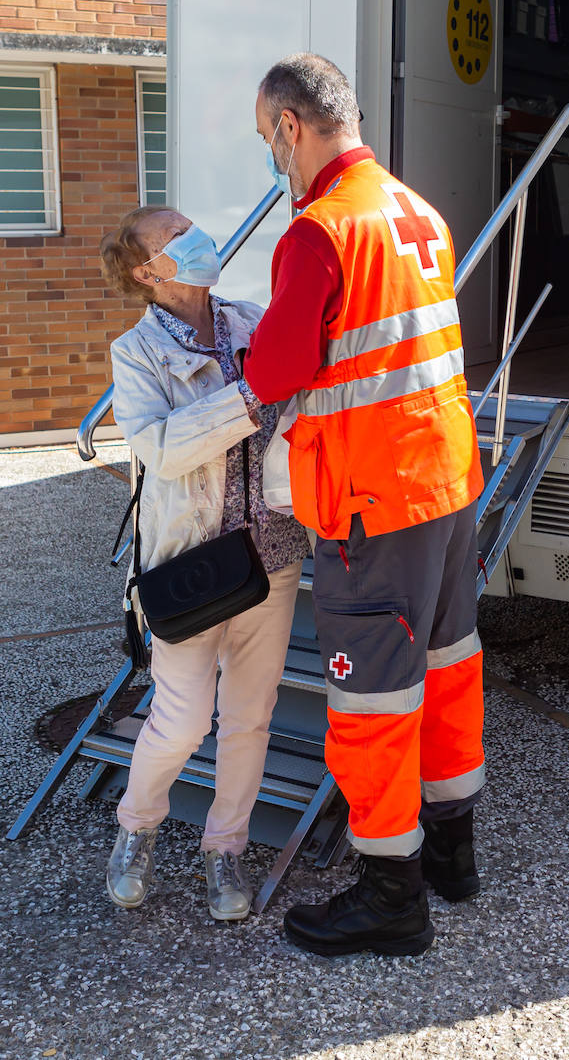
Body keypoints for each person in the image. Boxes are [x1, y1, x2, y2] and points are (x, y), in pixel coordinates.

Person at [243, 52, 485, 958]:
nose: (271, 158)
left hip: (370, 501)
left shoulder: (317, 233)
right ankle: (453, 856)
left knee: (374, 702)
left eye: (265, 139)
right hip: (445, 485)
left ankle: (392, 896)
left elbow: (274, 371)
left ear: (289, 128)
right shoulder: (415, 209)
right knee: (451, 668)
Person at [100, 205, 309, 921]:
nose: (197, 240)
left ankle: (225, 850)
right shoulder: (136, 353)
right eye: (175, 237)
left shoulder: (253, 321)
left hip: (272, 558)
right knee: (181, 721)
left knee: (250, 719)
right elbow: (160, 447)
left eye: (192, 227)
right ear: (146, 271)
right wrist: (250, 398)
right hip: (190, 565)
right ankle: (137, 828)